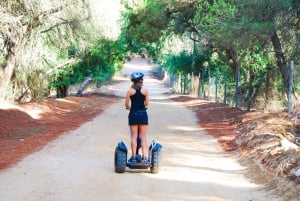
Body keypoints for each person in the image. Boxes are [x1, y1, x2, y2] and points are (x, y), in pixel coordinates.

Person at [125, 72, 149, 164]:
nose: (143, 80)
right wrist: (144, 107)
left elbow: (126, 104)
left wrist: (129, 108)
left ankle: (134, 157)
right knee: (143, 137)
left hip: (133, 114)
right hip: (143, 114)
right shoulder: (145, 90)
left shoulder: (130, 91)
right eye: (142, 79)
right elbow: (147, 104)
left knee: (134, 137)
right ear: (140, 80)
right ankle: (144, 158)